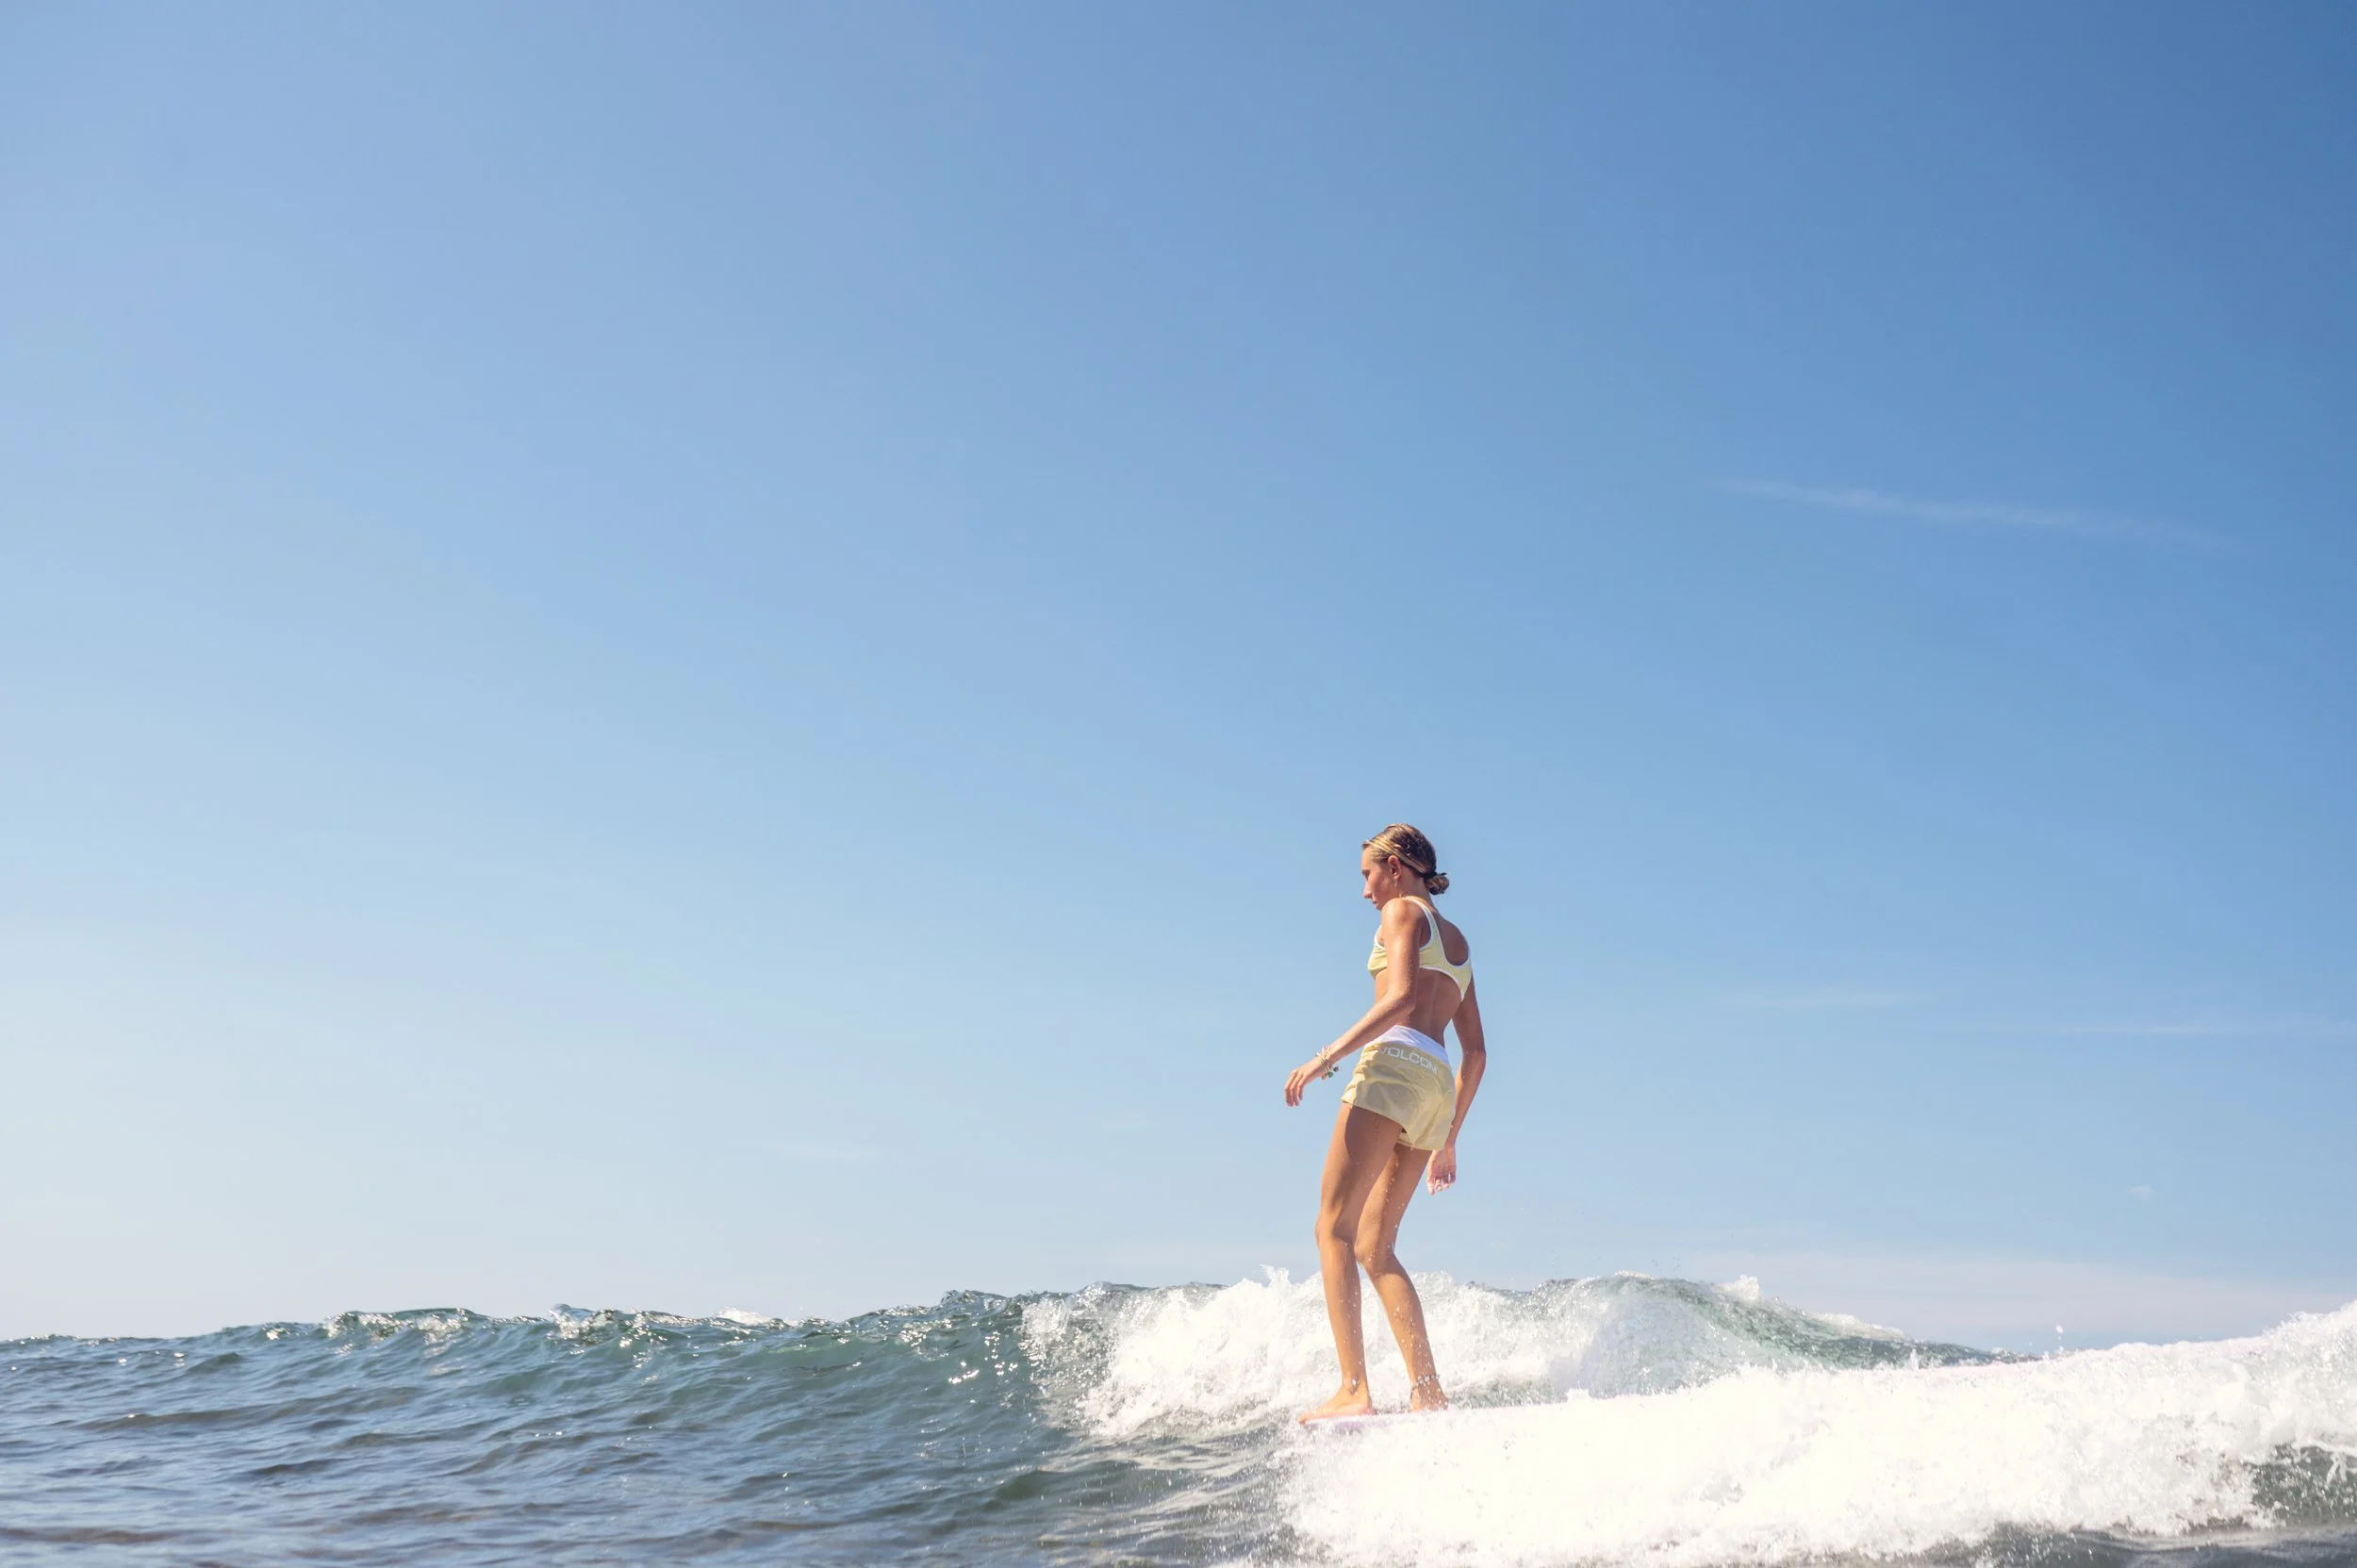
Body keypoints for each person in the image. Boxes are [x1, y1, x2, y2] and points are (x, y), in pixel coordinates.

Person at [1283, 823, 1488, 1423]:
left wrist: (1324, 1059)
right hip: (1434, 1086)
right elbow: (1476, 1051)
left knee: (1332, 1228)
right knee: (1376, 1246)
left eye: (1369, 874)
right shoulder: (1458, 941)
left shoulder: (1401, 911)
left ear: (1395, 868)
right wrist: (1449, 1136)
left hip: (1393, 1067)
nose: (1366, 891)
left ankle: (1353, 1389)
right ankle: (1427, 1390)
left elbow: (1398, 999)